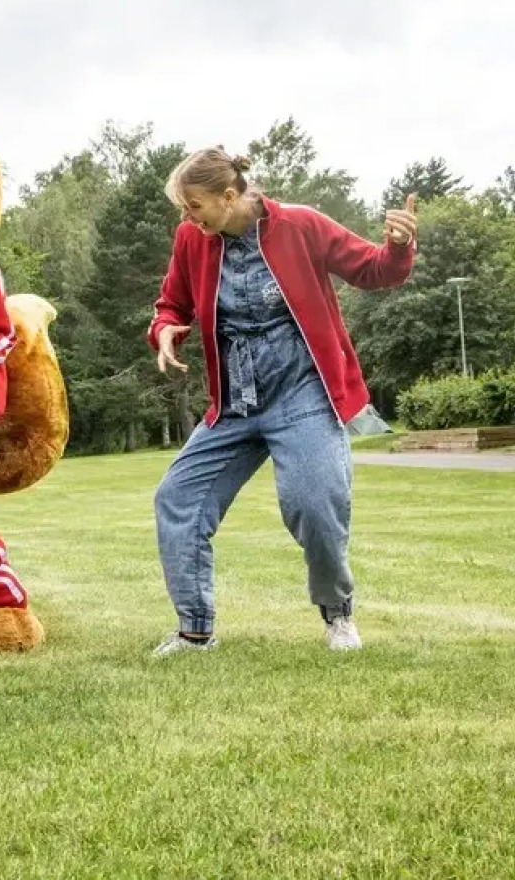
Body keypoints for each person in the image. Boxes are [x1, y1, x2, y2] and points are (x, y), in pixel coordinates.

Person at [146, 146, 417, 654]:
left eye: (194, 206)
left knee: (315, 504)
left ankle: (338, 614)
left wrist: (399, 248)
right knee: (177, 498)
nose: (187, 219)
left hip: (302, 393)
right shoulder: (192, 239)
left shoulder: (301, 225)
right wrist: (164, 331)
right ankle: (194, 630)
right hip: (234, 402)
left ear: (230, 196)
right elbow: (171, 303)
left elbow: (372, 270)